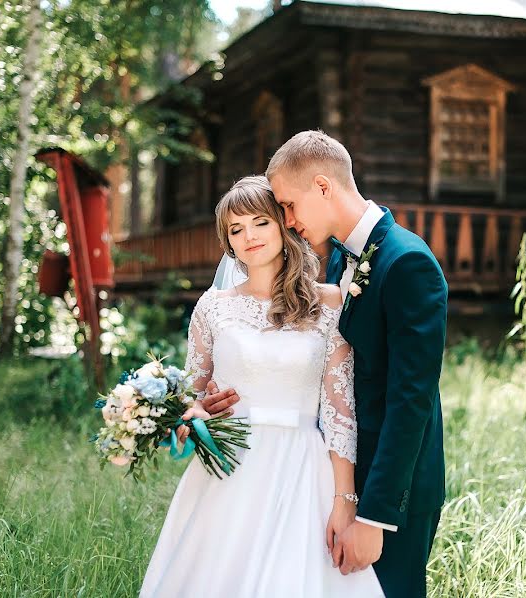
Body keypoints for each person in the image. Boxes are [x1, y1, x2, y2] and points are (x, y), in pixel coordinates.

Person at [202, 131, 448, 598]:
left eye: (289, 206)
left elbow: (410, 401)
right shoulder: (336, 260)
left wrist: (373, 517)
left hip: (393, 492)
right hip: (329, 478)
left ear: (322, 186)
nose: (288, 222)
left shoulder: (408, 263)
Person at [139, 176, 384, 597]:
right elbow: (189, 402)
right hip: (229, 468)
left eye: (260, 222)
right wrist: (193, 415)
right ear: (227, 242)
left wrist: (345, 501)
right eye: (236, 229)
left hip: (302, 468)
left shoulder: (330, 304)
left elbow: (341, 414)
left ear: (283, 226)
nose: (249, 236)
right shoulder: (212, 308)